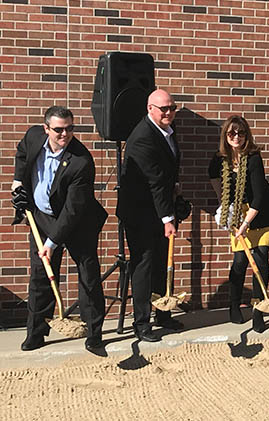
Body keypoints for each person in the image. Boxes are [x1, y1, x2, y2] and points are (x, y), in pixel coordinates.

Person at [11, 106, 108, 353]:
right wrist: (19, 182)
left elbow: (73, 209)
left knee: (88, 274)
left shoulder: (81, 160)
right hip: (41, 218)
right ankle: (36, 332)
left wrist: (51, 243)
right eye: (58, 130)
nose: (65, 134)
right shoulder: (34, 137)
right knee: (40, 275)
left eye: (70, 129)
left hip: (78, 222)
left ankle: (93, 333)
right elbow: (22, 153)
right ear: (46, 129)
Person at [117, 89, 184, 342]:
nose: (168, 113)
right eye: (163, 108)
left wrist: (176, 188)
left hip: (159, 208)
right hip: (141, 213)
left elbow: (167, 172)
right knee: (144, 265)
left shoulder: (167, 131)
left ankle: (163, 314)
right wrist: (167, 218)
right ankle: (142, 323)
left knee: (161, 264)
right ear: (150, 109)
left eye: (172, 108)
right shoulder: (143, 137)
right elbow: (155, 181)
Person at [209, 116, 269, 332]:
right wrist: (225, 204)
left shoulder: (254, 158)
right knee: (240, 261)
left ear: (247, 135)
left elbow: (259, 197)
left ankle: (259, 310)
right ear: (225, 136)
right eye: (232, 133)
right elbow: (213, 175)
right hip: (239, 213)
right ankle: (234, 304)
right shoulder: (220, 159)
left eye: (241, 133)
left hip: (262, 213)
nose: (236, 137)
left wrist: (245, 224)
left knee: (261, 260)